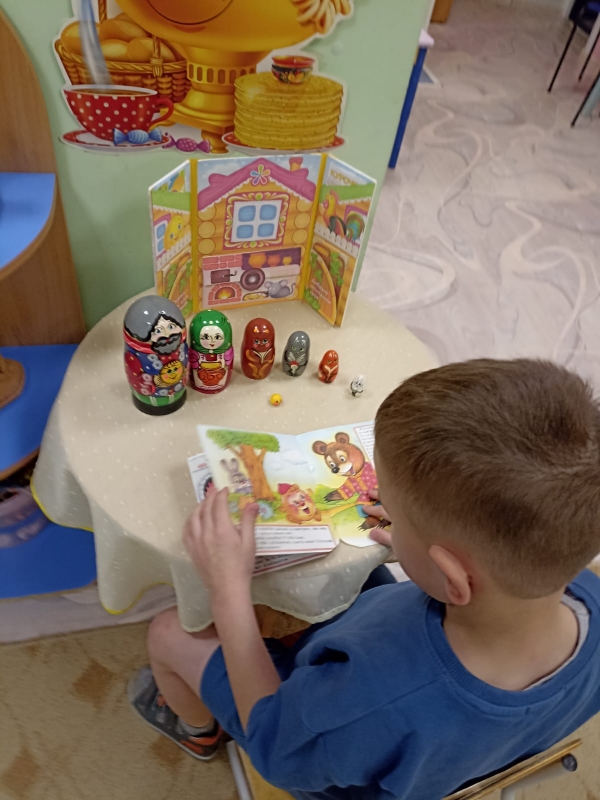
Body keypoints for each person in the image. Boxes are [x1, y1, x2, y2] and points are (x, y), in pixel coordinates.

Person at [129, 359, 600, 800]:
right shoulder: (573, 581)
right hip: (445, 741)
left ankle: (198, 732)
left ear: (451, 575)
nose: (383, 507)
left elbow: (278, 749)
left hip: (322, 751)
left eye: (393, 508)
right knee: (348, 575)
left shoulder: (373, 701)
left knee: (169, 632)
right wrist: (417, 539)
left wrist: (228, 592)